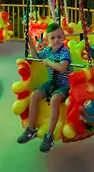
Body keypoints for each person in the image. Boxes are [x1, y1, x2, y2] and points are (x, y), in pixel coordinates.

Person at [17, 23, 73, 153]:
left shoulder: (65, 51)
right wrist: (30, 41)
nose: (56, 40)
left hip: (65, 85)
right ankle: (31, 129)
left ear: (63, 37)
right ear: (48, 40)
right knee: (34, 95)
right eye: (52, 38)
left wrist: (48, 62)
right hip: (51, 83)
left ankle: (49, 135)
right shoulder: (47, 51)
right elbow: (35, 57)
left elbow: (62, 67)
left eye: (59, 37)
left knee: (54, 99)